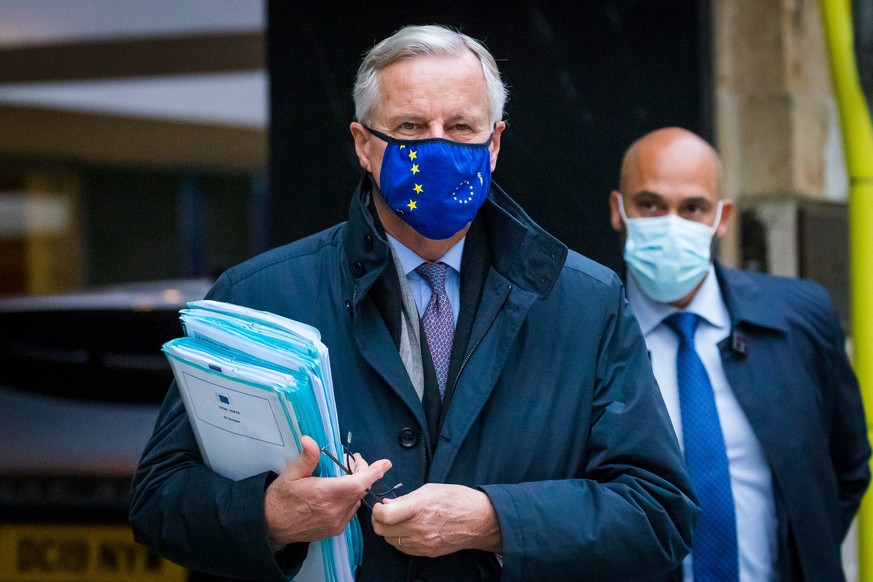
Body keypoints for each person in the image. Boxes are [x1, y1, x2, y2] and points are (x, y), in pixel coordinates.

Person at [130, 25, 698, 581]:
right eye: (410, 127)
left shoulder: (584, 303)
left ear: (494, 143)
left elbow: (658, 513)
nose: (438, 148)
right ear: (363, 145)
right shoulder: (259, 297)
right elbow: (160, 501)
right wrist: (270, 517)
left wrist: (495, 521)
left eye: (460, 127)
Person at [609, 126, 871, 581]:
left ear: (722, 217)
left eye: (693, 208)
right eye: (650, 205)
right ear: (619, 210)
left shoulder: (799, 318)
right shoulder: (587, 332)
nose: (671, 223)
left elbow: (843, 468)